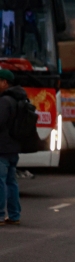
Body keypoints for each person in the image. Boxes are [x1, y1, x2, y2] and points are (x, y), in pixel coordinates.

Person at [0, 70, 24, 226]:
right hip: (14, 147)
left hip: (2, 147)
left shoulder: (4, 101)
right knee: (11, 182)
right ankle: (14, 215)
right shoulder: (19, 99)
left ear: (5, 83)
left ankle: (0, 215)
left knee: (1, 182)